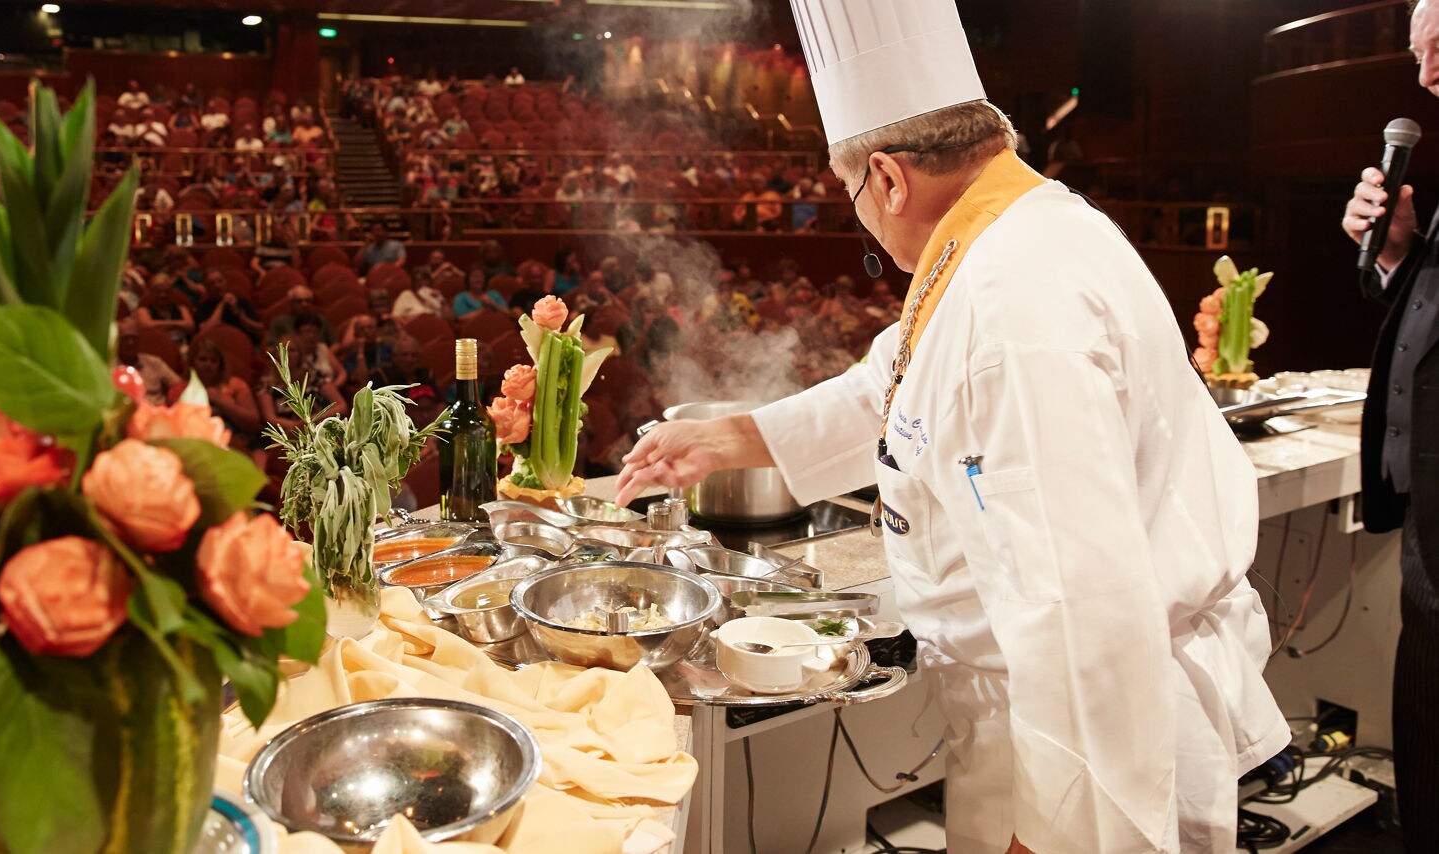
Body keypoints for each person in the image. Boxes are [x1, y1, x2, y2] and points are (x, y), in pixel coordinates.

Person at [616, 2, 1284, 850]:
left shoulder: (1015, 297)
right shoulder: (1006, 240)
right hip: (1024, 713)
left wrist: (1050, 838)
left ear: (890, 178)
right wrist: (725, 439)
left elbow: (1080, 608)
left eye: (852, 191)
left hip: (1090, 743)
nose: (858, 215)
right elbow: (894, 388)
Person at [1339, 0, 1439, 836]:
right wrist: (1400, 249)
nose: (1427, 74)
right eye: (1417, 57)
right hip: (1426, 530)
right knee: (1423, 756)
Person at [169, 339, 259, 447]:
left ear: (220, 365)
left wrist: (220, 401)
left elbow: (253, 422)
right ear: (192, 362)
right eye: (203, 359)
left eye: (213, 361)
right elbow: (176, 425)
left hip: (239, 442)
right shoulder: (180, 389)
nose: (208, 364)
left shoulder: (235, 384)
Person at [115, 318, 180, 406]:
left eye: (134, 338)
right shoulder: (110, 367)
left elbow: (178, 384)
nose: (130, 342)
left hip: (158, 413)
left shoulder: (154, 362)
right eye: (125, 338)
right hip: (128, 415)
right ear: (116, 341)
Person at [136, 273, 195, 346]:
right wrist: (178, 324)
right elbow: (146, 327)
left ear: (172, 293)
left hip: (181, 348)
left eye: (166, 291)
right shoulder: (143, 310)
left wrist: (158, 326)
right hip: (154, 347)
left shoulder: (181, 308)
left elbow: (190, 326)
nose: (163, 295)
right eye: (159, 291)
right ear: (152, 293)